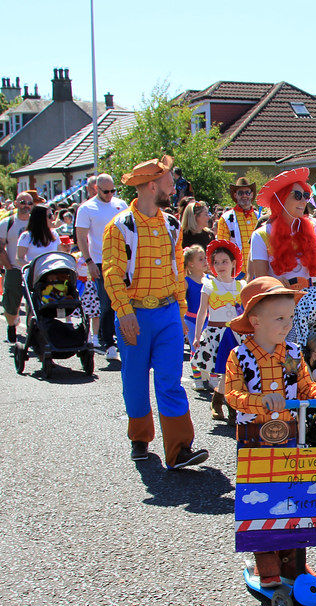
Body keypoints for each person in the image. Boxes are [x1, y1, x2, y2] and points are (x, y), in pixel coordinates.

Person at [223, 277, 316, 589]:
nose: (287, 325)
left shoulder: (291, 352)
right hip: (254, 436)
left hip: (290, 432)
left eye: (290, 318)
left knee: (294, 495)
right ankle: (266, 560)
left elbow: (305, 385)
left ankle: (293, 561)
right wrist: (260, 400)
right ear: (255, 320)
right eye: (279, 319)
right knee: (260, 497)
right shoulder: (240, 356)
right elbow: (231, 395)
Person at [102, 155, 208, 469]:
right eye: (168, 181)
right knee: (134, 379)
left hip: (167, 315)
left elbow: (177, 272)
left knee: (170, 380)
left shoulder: (172, 224)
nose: (173, 186)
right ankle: (139, 438)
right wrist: (124, 312)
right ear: (152, 185)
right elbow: (111, 273)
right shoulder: (119, 227)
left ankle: (179, 450)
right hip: (135, 314)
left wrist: (182, 313)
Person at [250, 168, 316, 291]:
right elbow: (262, 281)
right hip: (279, 302)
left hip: (307, 301)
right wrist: (275, 283)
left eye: (305, 195)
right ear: (280, 199)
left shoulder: (312, 227)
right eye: (297, 196)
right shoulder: (261, 235)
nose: (304, 201)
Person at [75, 173, 129, 359]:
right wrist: (89, 261)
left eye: (113, 190)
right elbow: (81, 237)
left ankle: (123, 337)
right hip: (99, 260)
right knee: (106, 302)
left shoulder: (121, 205)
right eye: (106, 191)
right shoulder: (86, 208)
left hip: (122, 259)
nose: (110, 194)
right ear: (96, 189)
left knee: (125, 299)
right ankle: (108, 343)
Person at [192, 240, 245, 422]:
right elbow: (202, 312)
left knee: (232, 371)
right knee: (225, 371)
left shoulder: (241, 286)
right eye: (216, 262)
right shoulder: (209, 285)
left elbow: (245, 312)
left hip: (235, 333)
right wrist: (197, 336)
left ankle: (219, 401)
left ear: (233, 263)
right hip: (216, 333)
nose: (220, 266)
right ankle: (228, 407)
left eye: (225, 261)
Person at [0, 192, 33, 342]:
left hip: (31, 269)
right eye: (23, 202)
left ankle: (32, 331)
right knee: (11, 302)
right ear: (16, 203)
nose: (26, 206)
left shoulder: (34, 223)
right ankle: (11, 326)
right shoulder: (7, 222)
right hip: (14, 268)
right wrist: (7, 266)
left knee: (33, 303)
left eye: (29, 203)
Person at [216, 177, 262, 277]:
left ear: (252, 194)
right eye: (241, 193)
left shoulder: (260, 217)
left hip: (258, 272)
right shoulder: (226, 219)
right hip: (237, 273)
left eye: (247, 192)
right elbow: (222, 249)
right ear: (235, 195)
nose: (244, 195)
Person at [183, 244, 207, 391]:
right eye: (200, 259)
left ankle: (212, 378)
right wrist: (181, 321)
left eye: (205, 258)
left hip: (208, 320)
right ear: (191, 263)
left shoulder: (209, 280)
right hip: (191, 320)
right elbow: (181, 302)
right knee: (195, 349)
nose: (205, 261)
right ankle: (197, 379)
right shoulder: (186, 281)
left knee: (210, 348)